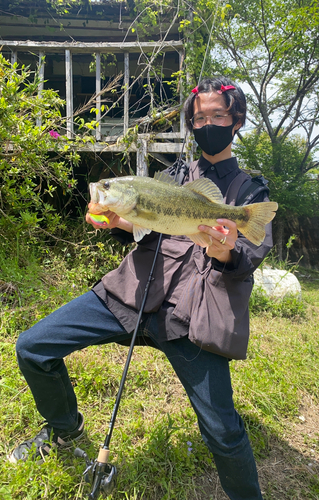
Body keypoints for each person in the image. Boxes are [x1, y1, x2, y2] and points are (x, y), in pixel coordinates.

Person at [9, 76, 274, 500]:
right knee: (33, 347)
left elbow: (250, 254)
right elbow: (147, 227)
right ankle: (65, 430)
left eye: (217, 116)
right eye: (199, 117)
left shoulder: (249, 190)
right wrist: (118, 221)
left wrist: (224, 250)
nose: (207, 123)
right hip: (131, 293)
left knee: (223, 431)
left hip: (192, 316)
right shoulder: (173, 175)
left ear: (236, 121)